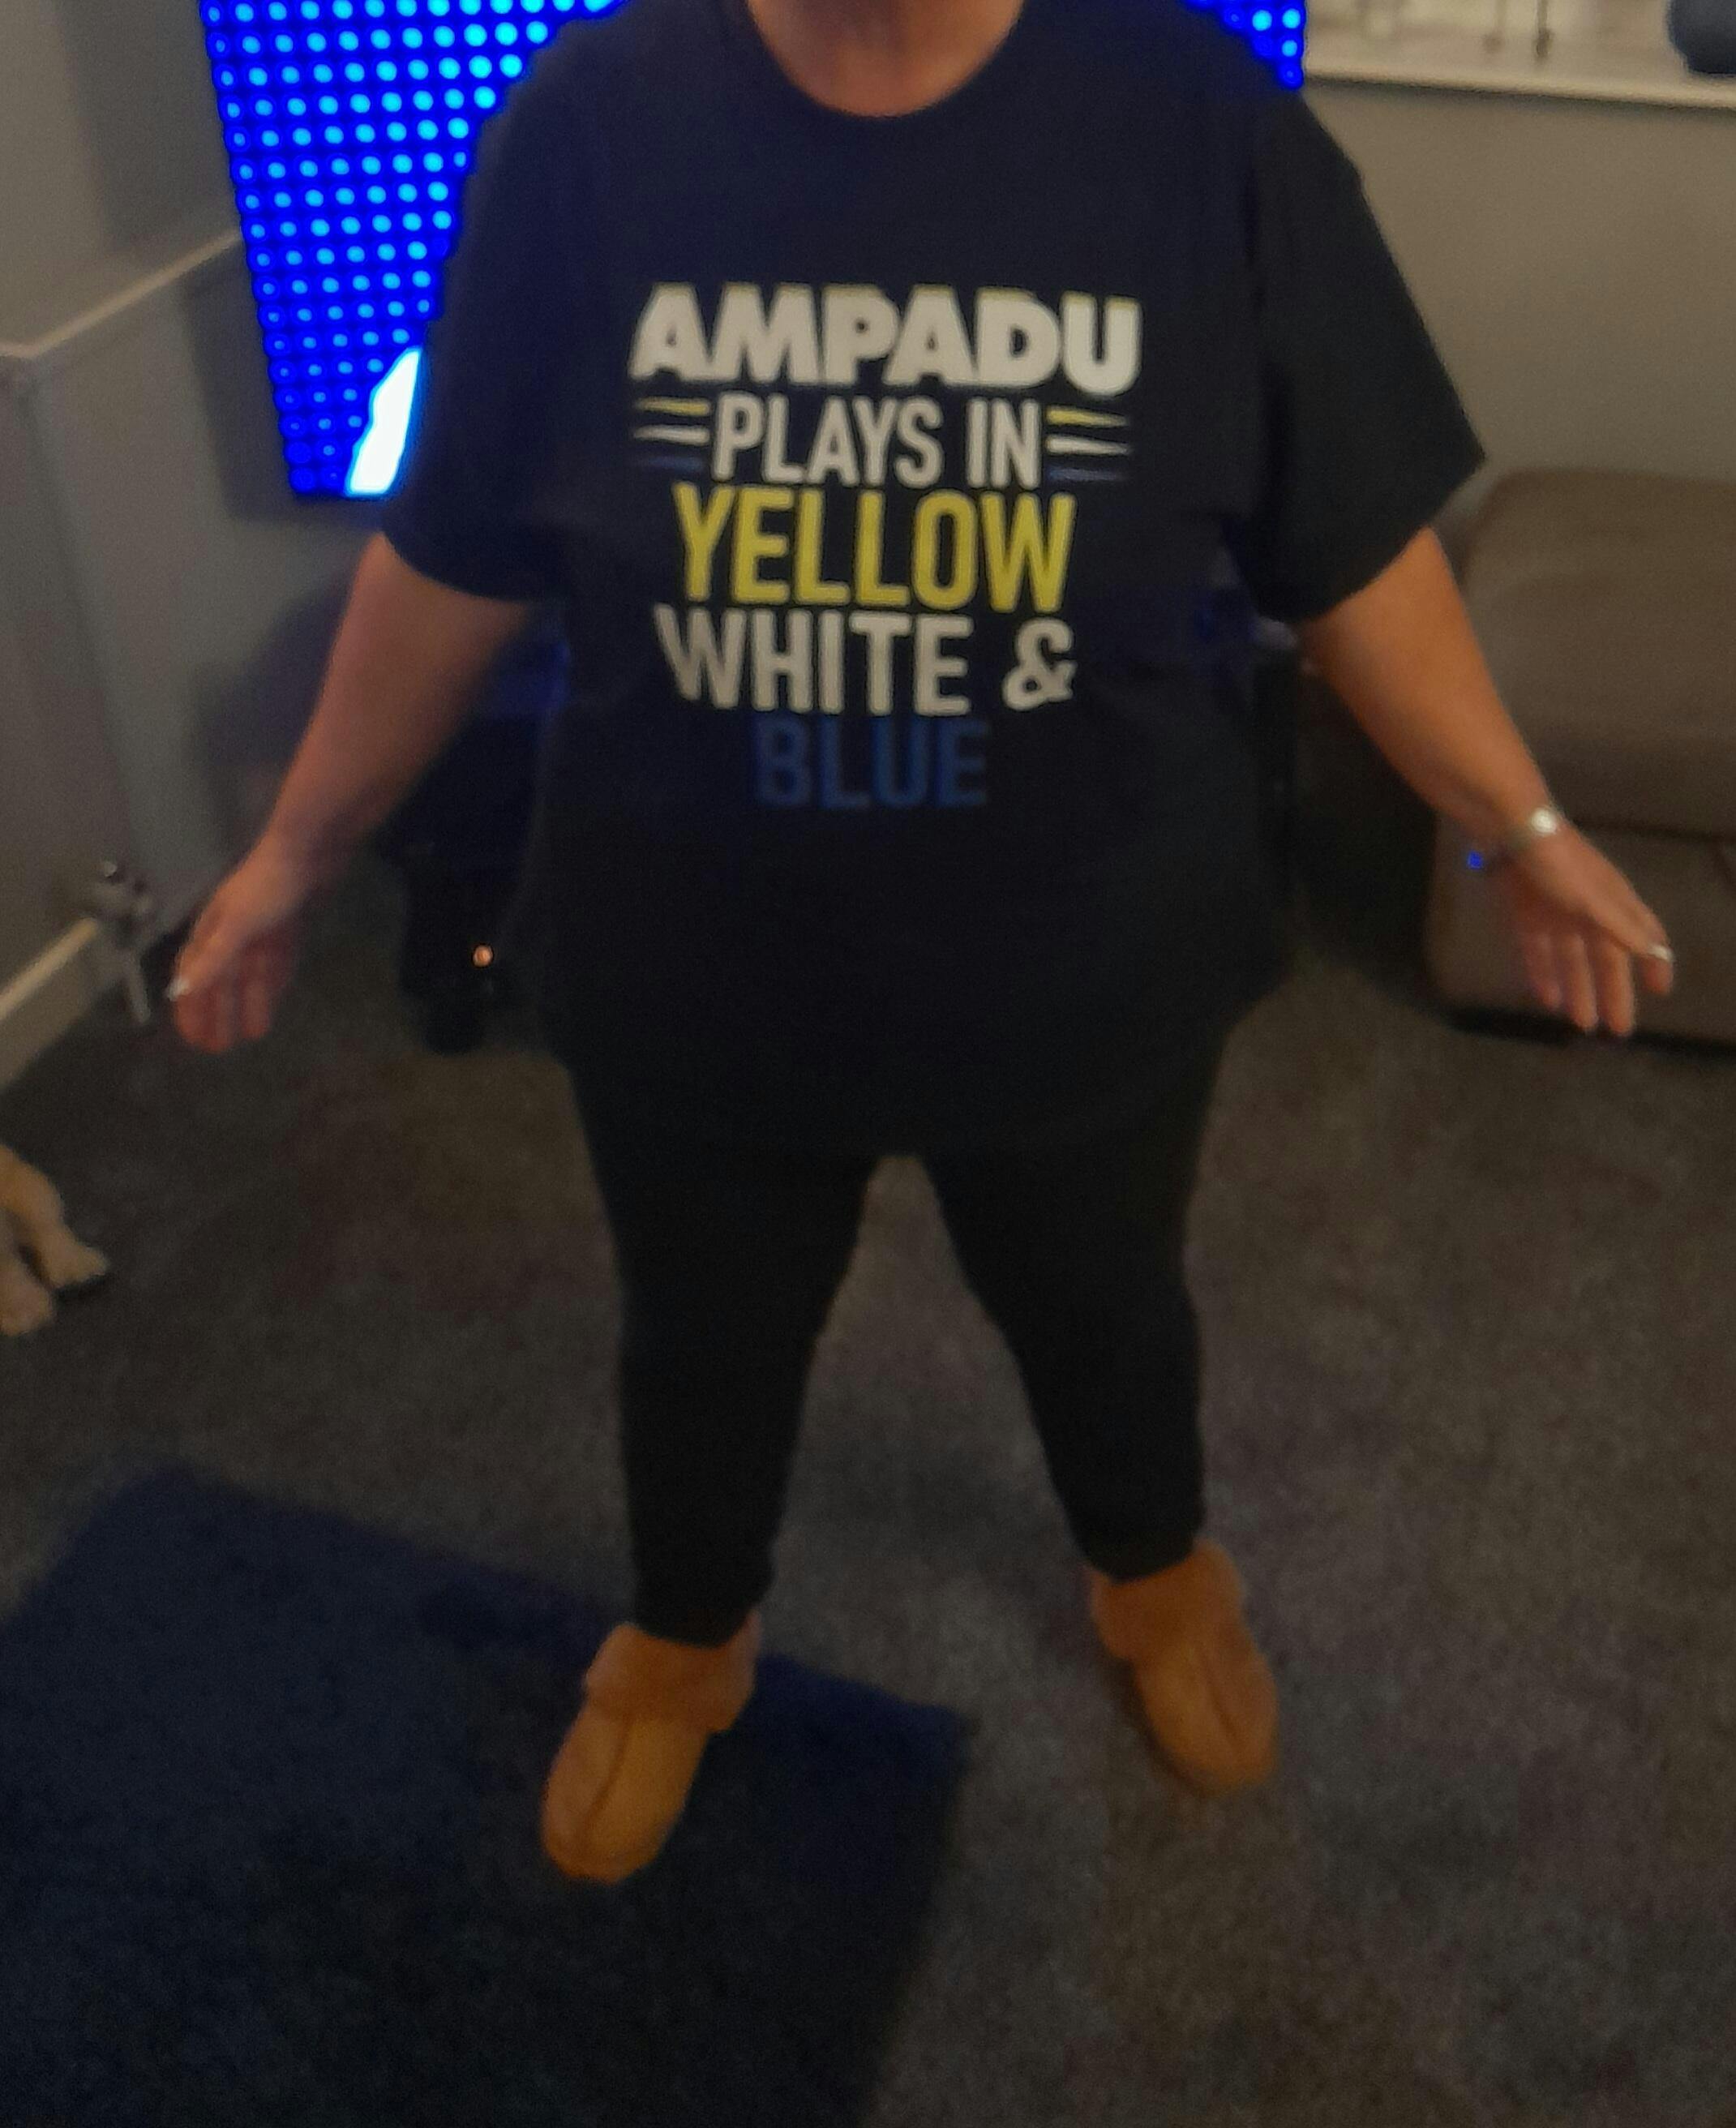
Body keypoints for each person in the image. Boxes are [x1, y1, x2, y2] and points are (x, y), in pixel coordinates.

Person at [169, 0, 1676, 1885]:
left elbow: (1357, 542)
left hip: (1086, 953)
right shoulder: (583, 123)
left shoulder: (1205, 127)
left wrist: (1520, 822)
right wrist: (295, 853)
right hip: (692, 951)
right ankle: (686, 1636)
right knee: (702, 1339)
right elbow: (453, 543)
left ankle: (1153, 1570)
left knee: (1105, 1309)